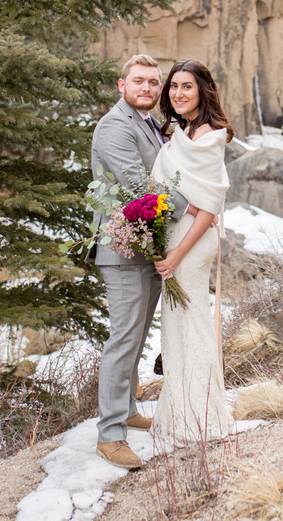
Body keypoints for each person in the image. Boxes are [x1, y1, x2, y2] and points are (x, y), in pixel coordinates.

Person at [91, 54, 197, 470]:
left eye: (155, 83)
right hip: (122, 252)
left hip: (146, 247)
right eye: (140, 82)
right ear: (122, 85)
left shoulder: (148, 123)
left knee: (135, 336)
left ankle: (128, 407)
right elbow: (140, 187)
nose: (149, 89)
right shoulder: (115, 126)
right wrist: (194, 210)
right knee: (123, 339)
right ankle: (110, 435)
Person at [151, 59, 235, 445]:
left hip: (190, 241)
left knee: (192, 323)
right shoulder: (183, 130)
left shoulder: (208, 135)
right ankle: (184, 412)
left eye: (187, 86)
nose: (178, 93)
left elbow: (207, 209)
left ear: (202, 90)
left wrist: (176, 255)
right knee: (177, 326)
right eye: (173, 87)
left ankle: (202, 417)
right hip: (177, 235)